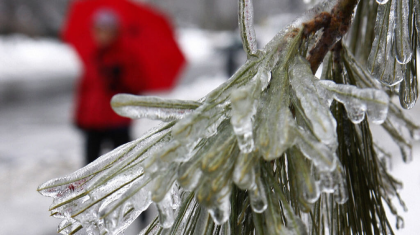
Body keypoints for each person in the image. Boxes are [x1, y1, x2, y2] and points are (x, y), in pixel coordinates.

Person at [72, 8, 144, 165]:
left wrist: (120, 77)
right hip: (93, 121)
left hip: (117, 121)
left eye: (105, 30)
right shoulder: (93, 56)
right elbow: (85, 89)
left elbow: (137, 85)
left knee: (121, 165)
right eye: (97, 30)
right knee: (90, 167)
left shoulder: (126, 56)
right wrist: (79, 116)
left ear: (115, 32)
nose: (100, 34)